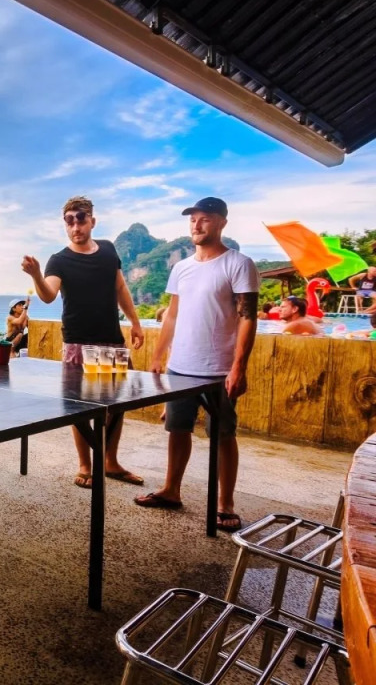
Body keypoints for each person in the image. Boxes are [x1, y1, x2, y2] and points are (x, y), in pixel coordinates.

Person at [135, 196, 260, 534]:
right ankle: (171, 490)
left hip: (219, 369)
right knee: (177, 430)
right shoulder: (181, 267)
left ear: (221, 222)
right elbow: (172, 315)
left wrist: (239, 367)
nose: (196, 224)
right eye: (192, 219)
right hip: (180, 368)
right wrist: (158, 357)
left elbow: (248, 317)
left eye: (205, 218)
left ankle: (225, 504)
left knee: (223, 434)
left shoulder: (238, 264)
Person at [22, 195, 145, 489]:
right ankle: (85, 465)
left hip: (111, 341)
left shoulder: (108, 250)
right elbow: (49, 295)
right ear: (65, 225)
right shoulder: (59, 260)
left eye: (80, 219)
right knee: (80, 408)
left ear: (92, 221)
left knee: (116, 407)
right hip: (78, 343)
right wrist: (37, 275)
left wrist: (136, 322)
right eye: (69, 221)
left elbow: (120, 287)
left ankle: (110, 461)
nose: (75, 226)